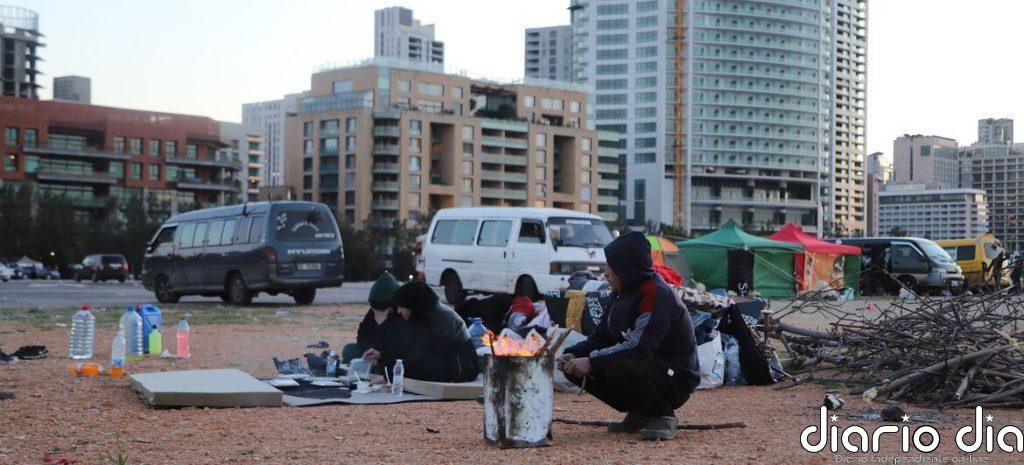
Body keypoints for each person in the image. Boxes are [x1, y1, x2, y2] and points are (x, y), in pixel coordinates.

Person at [558, 231, 700, 441]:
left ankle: (662, 414)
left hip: (675, 377)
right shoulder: (621, 291)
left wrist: (592, 361)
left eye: (611, 268)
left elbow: (639, 349)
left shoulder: (656, 293)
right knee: (574, 370)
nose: (606, 274)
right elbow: (601, 337)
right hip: (646, 367)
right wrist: (572, 354)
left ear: (627, 268)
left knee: (618, 367)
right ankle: (640, 412)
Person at [363, 281, 480, 383]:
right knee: (399, 361)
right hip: (443, 360)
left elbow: (424, 354)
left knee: (414, 363)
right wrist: (381, 355)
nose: (398, 311)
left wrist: (388, 375)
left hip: (463, 366)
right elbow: (409, 347)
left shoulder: (442, 317)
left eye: (401, 306)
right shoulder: (421, 315)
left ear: (413, 305)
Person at [341, 271, 403, 364]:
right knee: (349, 350)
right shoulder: (372, 312)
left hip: (392, 355)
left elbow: (402, 345)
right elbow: (362, 336)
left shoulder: (401, 314)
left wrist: (382, 324)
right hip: (373, 352)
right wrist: (368, 352)